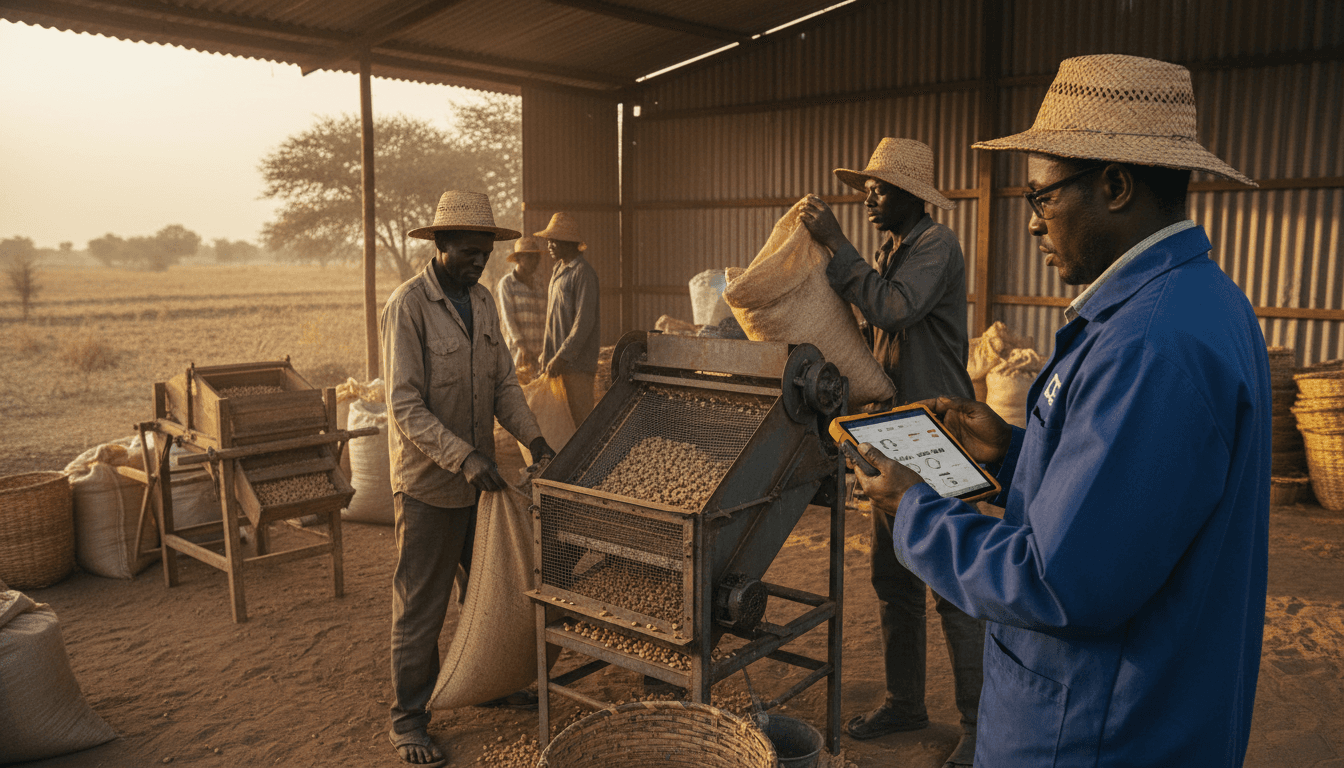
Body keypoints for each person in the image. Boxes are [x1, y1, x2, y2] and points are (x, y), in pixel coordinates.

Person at [846, 55, 1269, 766]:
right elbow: (1130, 506)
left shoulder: (1150, 344)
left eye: (1041, 197)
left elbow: (1059, 582)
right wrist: (1015, 455)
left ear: (1115, 186)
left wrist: (915, 508)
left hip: (1096, 731)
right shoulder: (1195, 302)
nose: (1033, 224)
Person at [798, 138, 982, 767]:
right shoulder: (891, 250)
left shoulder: (937, 245)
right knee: (894, 576)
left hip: (938, 430)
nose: (868, 198)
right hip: (892, 432)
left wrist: (836, 245)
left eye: (879, 190)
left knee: (952, 582)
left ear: (911, 196)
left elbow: (894, 309)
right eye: (868, 189)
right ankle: (906, 703)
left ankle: (979, 726)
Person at [381, 190, 555, 766]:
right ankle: (409, 719)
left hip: (480, 489)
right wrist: (464, 457)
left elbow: (503, 383)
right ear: (440, 244)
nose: (479, 262)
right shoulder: (408, 307)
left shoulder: (482, 302)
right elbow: (405, 406)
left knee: (488, 594)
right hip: (430, 488)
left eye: (485, 253)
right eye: (468, 252)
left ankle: (491, 684)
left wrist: (534, 440)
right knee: (422, 608)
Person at [536, 211, 600, 427]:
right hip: (558, 364)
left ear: (569, 242)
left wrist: (562, 356)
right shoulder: (558, 270)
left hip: (577, 367)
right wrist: (547, 354)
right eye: (549, 241)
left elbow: (584, 323)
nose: (549, 245)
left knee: (580, 424)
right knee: (561, 424)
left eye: (554, 241)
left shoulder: (583, 273)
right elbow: (552, 320)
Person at [496, 235, 548, 384]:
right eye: (530, 257)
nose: (535, 261)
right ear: (518, 259)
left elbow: (545, 318)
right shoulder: (507, 284)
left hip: (540, 353)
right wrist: (523, 348)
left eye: (536, 257)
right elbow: (508, 319)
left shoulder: (539, 284)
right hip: (520, 353)